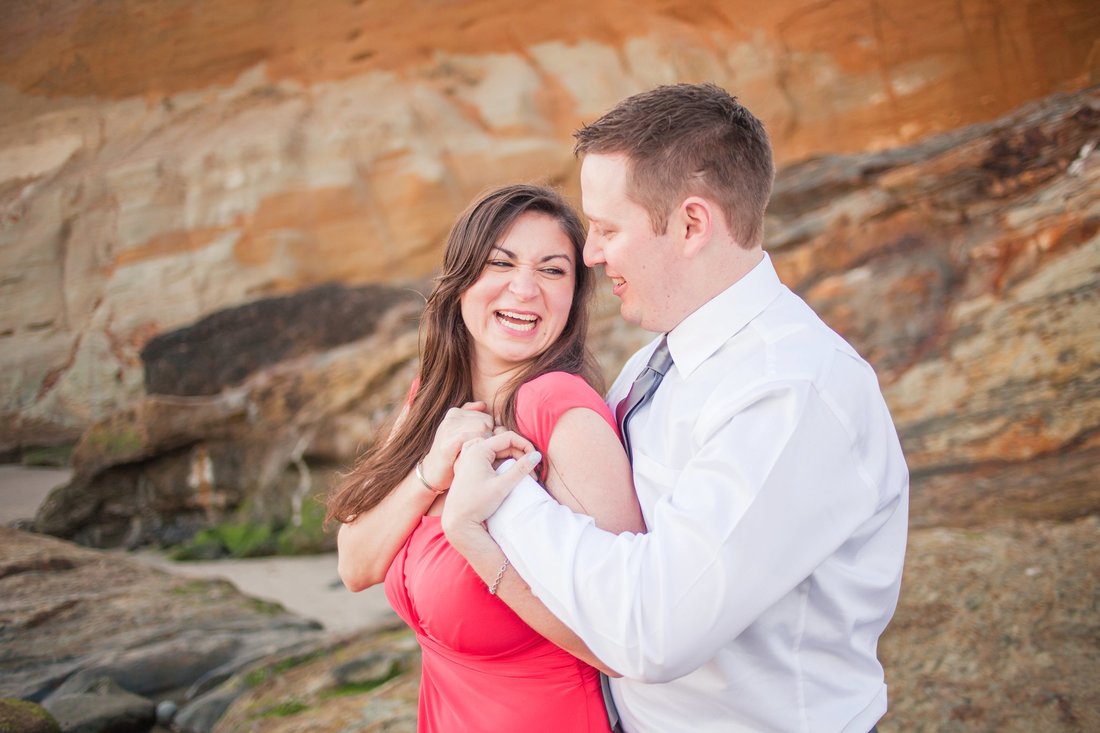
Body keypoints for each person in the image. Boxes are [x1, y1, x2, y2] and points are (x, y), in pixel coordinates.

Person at [440, 83, 909, 733]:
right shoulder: (658, 361)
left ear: (691, 224)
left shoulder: (789, 392)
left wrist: (503, 500)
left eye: (606, 229)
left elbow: (652, 629)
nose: (590, 255)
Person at [326, 183, 645, 732]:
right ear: (460, 279)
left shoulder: (561, 414)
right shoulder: (432, 397)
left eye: (552, 271)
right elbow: (355, 565)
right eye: (501, 262)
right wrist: (432, 470)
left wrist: (471, 537)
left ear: (574, 296)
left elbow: (627, 645)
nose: (525, 289)